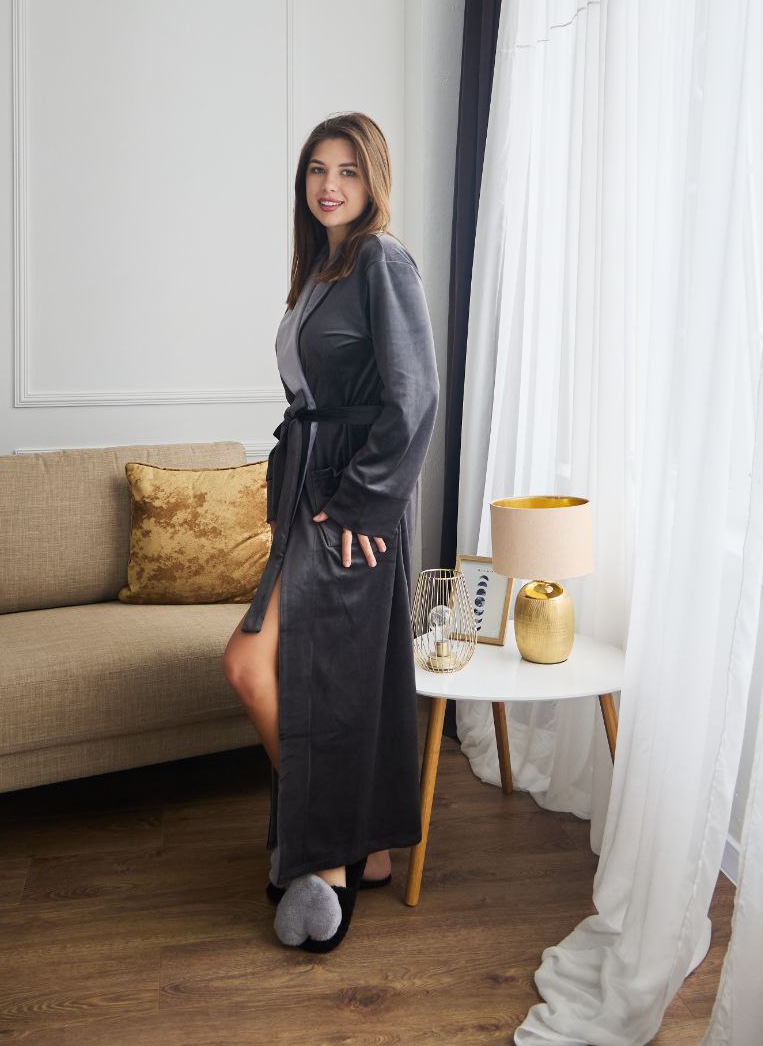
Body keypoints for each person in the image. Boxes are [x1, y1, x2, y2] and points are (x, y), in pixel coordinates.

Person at [222, 111, 441, 952]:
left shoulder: (381, 258)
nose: (329, 185)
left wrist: (361, 504)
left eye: (347, 170)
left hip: (348, 503)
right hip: (307, 493)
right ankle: (364, 847)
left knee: (256, 667)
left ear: (372, 179)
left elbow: (413, 394)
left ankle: (329, 856)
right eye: (317, 168)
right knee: (329, 679)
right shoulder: (320, 268)